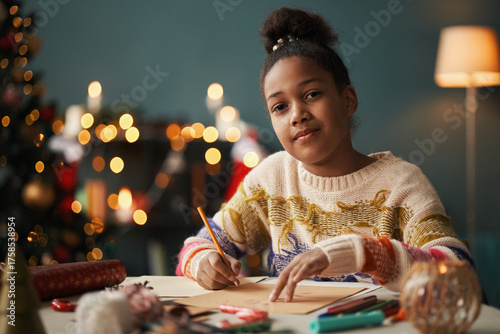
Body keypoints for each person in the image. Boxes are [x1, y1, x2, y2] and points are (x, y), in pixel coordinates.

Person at [176, 7, 474, 302]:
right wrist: (203, 262)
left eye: (311, 95)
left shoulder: (402, 184)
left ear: (347, 100)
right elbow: (199, 245)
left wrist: (366, 254)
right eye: (280, 107)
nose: (297, 115)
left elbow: (458, 272)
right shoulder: (271, 178)